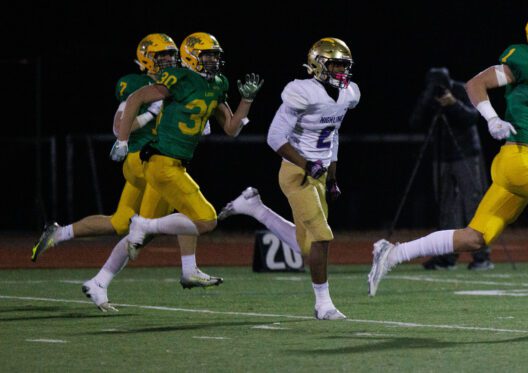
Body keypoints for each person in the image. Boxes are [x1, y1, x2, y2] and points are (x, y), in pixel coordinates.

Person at [368, 8, 528, 311]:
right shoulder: (525, 59)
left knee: (474, 238)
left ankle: (391, 253)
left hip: (522, 164)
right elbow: (474, 84)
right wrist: (492, 119)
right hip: (519, 160)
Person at [30, 34, 220, 311]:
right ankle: (185, 269)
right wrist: (153, 113)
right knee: (172, 214)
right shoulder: (140, 83)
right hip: (144, 160)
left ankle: (59, 235)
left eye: (170, 55)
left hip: (147, 161)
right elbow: (121, 126)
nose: (168, 61)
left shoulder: (181, 81)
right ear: (145, 60)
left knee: (120, 223)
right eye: (161, 57)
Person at [218, 37, 359, 320]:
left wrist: (331, 177)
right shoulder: (301, 91)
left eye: (345, 66)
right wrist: (307, 165)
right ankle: (324, 305)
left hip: (318, 173)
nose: (342, 72)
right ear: (318, 65)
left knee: (307, 246)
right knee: (322, 236)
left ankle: (254, 207)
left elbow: (333, 137)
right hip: (296, 173)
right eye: (335, 65)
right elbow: (274, 138)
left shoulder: (347, 95)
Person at [111, 32, 261, 274]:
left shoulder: (218, 83)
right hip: (161, 159)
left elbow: (232, 129)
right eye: (208, 56)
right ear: (191, 57)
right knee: (205, 220)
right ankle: (148, 229)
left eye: (215, 56)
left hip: (178, 163)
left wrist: (247, 100)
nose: (213, 61)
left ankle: (102, 281)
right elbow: (136, 97)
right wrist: (122, 141)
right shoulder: (179, 78)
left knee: (189, 221)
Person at [410, 67, 494, 271]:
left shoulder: (461, 89)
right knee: (446, 208)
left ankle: (482, 256)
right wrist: (427, 100)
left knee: (473, 203)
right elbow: (415, 122)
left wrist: (453, 104)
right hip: (442, 157)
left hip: (466, 154)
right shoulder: (429, 96)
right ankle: (446, 257)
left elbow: (473, 117)